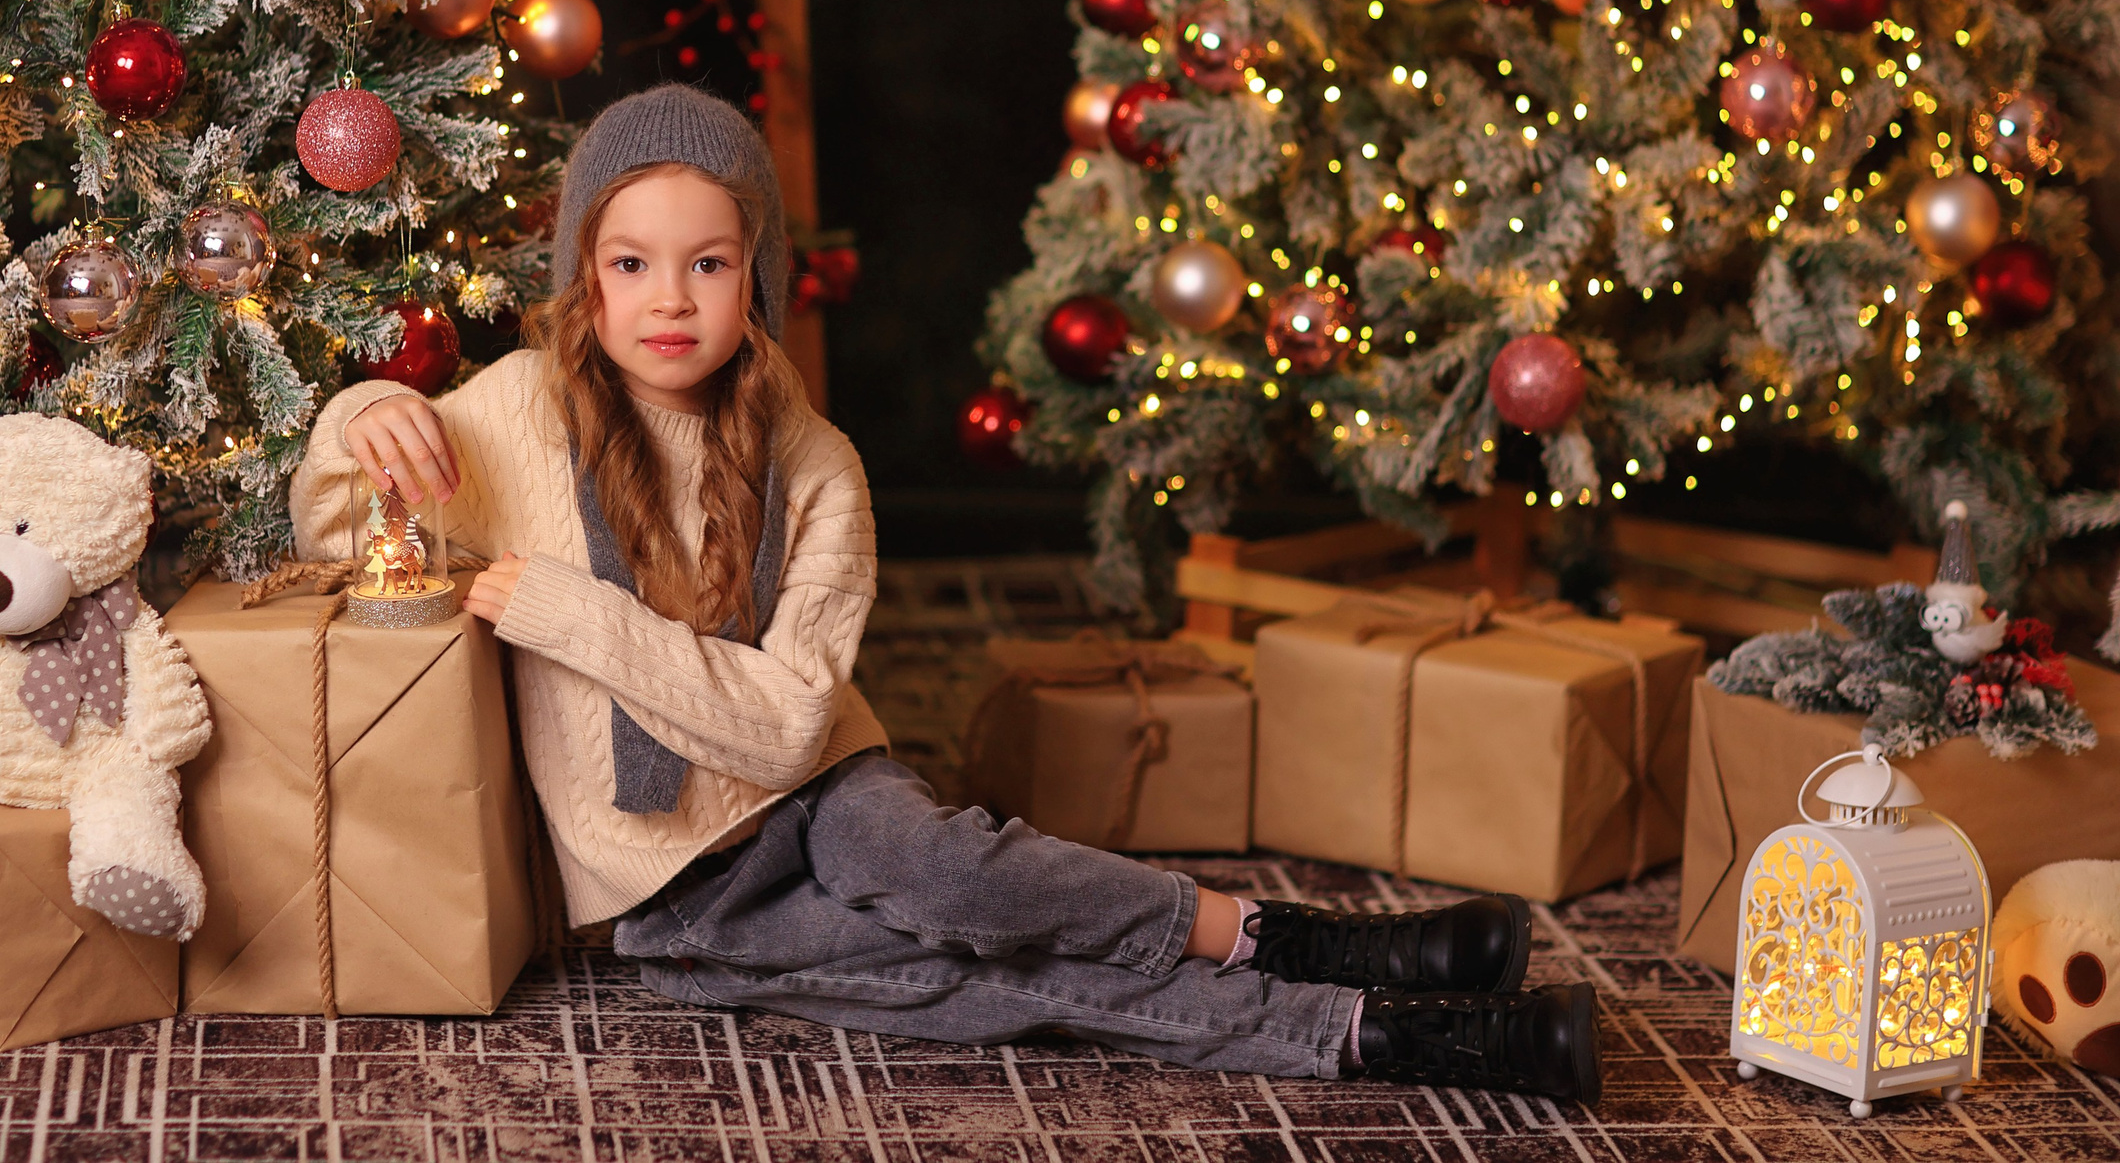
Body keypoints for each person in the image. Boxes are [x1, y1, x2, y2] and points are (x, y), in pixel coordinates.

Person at [288, 84, 1600, 1100]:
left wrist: (572, 615)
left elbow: (793, 726)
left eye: (709, 262)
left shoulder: (814, 461)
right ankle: (1376, 1013)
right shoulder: (522, 411)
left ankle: (1292, 938)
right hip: (681, 888)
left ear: (761, 276)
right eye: (631, 262)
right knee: (990, 980)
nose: (669, 299)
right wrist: (368, 414)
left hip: (820, 785)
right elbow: (339, 525)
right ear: (586, 273)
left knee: (943, 870)